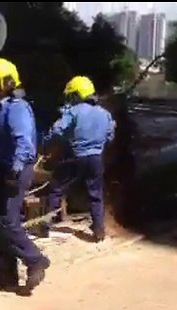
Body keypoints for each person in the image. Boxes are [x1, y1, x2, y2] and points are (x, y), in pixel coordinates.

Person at [0, 58, 51, 295]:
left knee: (8, 222)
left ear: (6, 82)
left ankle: (35, 259)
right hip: (3, 169)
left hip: (16, 170)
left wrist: (14, 170)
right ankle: (6, 274)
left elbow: (25, 143)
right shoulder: (0, 107)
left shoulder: (16, 107)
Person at [44, 76, 116, 242]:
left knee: (56, 188)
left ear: (77, 94)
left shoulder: (73, 111)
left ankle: (46, 226)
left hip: (75, 157)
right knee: (95, 194)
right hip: (96, 158)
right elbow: (110, 136)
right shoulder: (105, 114)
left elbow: (57, 131)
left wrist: (49, 142)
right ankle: (99, 231)